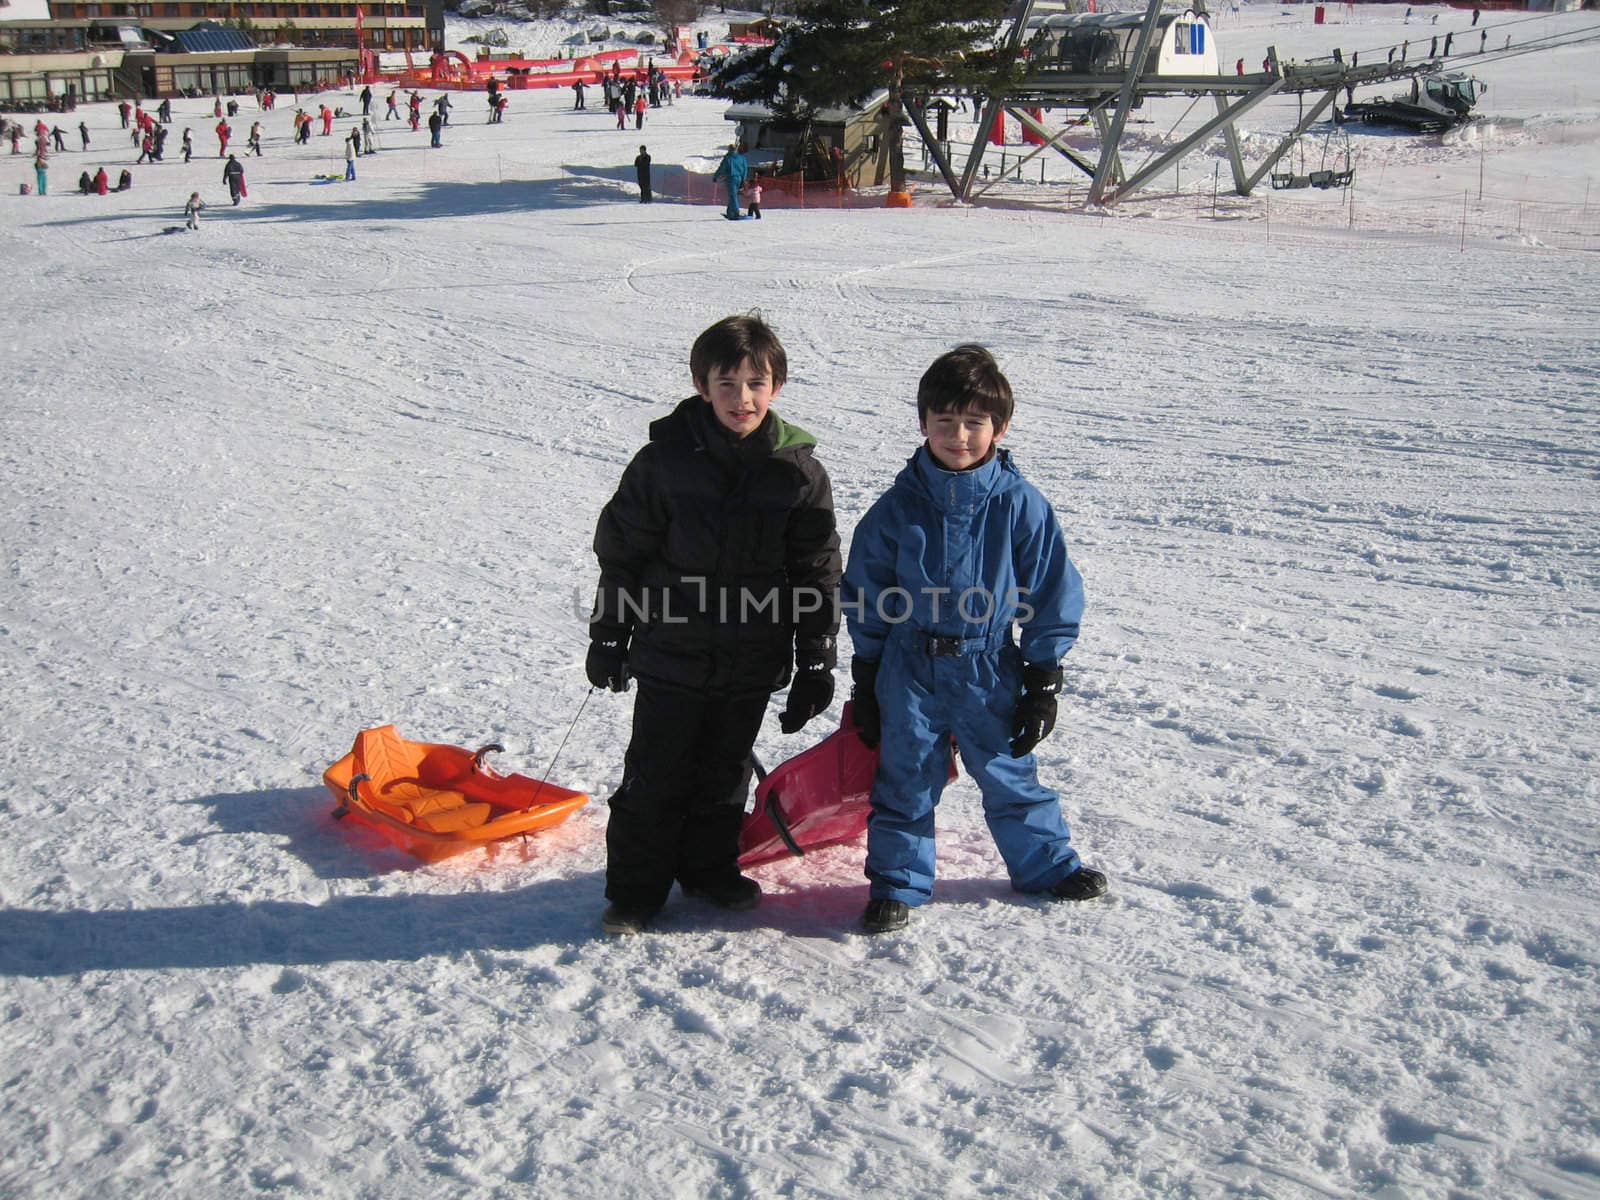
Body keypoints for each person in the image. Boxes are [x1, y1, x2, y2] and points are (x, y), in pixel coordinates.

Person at [588, 314, 841, 936]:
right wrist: (609, 632)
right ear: (701, 386)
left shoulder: (797, 471)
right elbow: (624, 551)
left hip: (751, 657)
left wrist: (816, 660)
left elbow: (816, 571)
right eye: (726, 383)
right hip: (671, 650)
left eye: (757, 383)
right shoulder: (663, 462)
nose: (742, 398)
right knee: (655, 773)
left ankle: (708, 870)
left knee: (725, 772)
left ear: (777, 387)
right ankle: (636, 891)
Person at [841, 344, 1107, 935]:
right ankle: (897, 884)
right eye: (944, 422)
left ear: (999, 427)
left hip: (989, 664)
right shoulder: (896, 509)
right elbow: (866, 590)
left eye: (974, 422)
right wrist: (867, 671)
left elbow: (1052, 589)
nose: (958, 435)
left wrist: (1043, 678)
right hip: (909, 666)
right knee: (905, 777)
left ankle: (1044, 863)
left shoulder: (1020, 505)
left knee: (1010, 770)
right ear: (922, 423)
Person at [712, 142, 748, 221]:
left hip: (731, 178)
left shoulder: (728, 158)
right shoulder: (742, 158)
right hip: (740, 178)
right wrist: (743, 179)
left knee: (733, 196)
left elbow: (722, 169)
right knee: (733, 195)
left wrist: (716, 176)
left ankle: (736, 211)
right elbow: (745, 169)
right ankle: (730, 212)